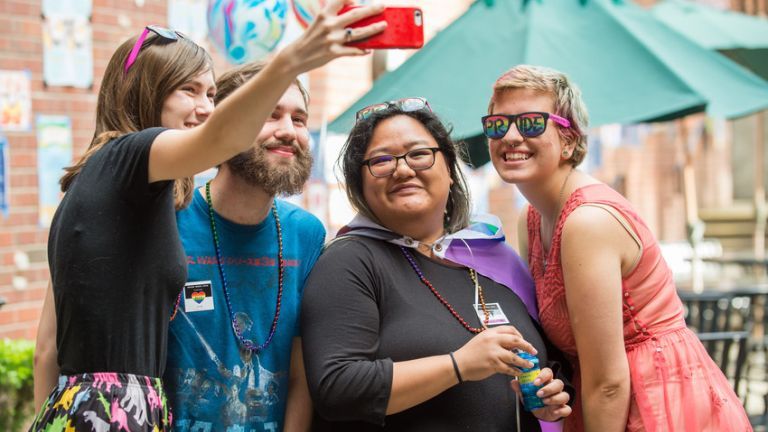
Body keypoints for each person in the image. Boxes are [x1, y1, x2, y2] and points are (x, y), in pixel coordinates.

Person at [31, 2, 386, 430]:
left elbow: (48, 347)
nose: (205, 109)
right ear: (147, 89)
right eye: (190, 91)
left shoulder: (123, 190)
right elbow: (222, 135)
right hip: (111, 409)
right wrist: (296, 56)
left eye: (211, 96)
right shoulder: (124, 159)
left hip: (114, 407)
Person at [483, 64, 752, 432]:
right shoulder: (531, 218)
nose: (511, 136)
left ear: (569, 140)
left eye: (530, 123)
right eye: (498, 125)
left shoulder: (586, 223)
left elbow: (608, 381)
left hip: (657, 403)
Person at [300, 99, 573, 431]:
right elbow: (337, 388)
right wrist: (459, 365)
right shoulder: (349, 261)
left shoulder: (491, 257)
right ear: (360, 184)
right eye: (382, 160)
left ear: (449, 170)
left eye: (418, 154)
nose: (403, 169)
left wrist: (550, 392)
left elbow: (553, 363)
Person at [163, 61, 324, 432]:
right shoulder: (170, 220)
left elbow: (302, 379)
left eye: (299, 120)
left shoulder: (307, 234)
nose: (288, 131)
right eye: (270, 114)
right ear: (224, 126)